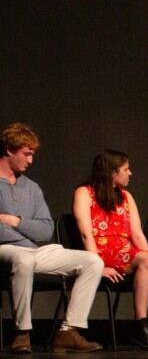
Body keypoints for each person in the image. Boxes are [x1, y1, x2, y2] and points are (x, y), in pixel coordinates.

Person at [0, 123, 103, 353]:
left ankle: (69, 330)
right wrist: (23, 230)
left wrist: (15, 221)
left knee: (92, 261)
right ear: (9, 150)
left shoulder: (32, 188)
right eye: (26, 154)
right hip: (5, 250)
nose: (30, 161)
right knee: (22, 258)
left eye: (32, 155)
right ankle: (22, 333)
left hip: (32, 250)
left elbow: (45, 230)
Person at [73, 150, 148, 350]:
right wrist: (97, 266)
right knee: (146, 260)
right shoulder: (84, 193)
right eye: (126, 169)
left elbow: (136, 234)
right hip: (101, 252)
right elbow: (86, 234)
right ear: (112, 172)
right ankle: (140, 326)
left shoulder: (126, 196)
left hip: (126, 252)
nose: (130, 173)